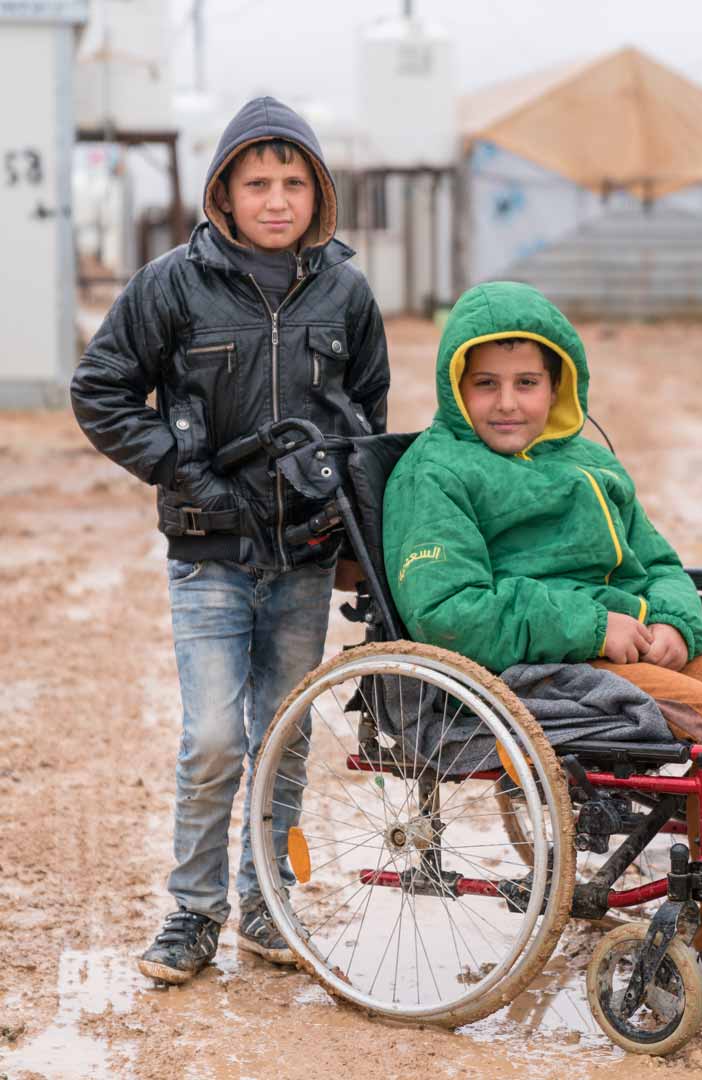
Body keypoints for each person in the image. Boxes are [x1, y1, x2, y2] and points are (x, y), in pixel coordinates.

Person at [382, 281, 702, 1024]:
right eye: (485, 383)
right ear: (454, 386)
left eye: (527, 383)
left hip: (626, 651)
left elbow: (656, 565)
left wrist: (672, 627)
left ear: (558, 385)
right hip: (536, 664)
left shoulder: (589, 464)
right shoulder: (434, 474)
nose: (507, 403)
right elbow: (449, 613)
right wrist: (594, 625)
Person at [70, 97, 389, 985]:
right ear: (224, 191)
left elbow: (367, 417)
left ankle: (266, 901)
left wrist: (350, 518)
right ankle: (191, 912)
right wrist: (185, 473)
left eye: (293, 182)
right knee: (214, 737)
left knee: (281, 738)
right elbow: (99, 390)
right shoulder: (173, 283)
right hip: (210, 550)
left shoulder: (346, 291)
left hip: (305, 558)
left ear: (317, 191)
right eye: (258, 182)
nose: (276, 198)